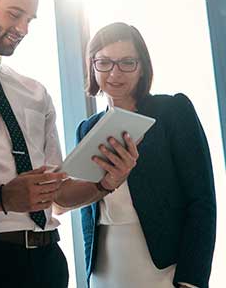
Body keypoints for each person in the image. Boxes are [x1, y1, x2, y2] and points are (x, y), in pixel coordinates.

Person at [0, 0, 139, 288]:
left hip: (48, 261)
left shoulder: (34, 92)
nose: (23, 28)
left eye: (29, 20)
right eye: (14, 13)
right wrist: (4, 197)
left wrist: (106, 184)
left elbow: (58, 194)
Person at [78, 22, 216, 288]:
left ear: (142, 68)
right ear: (92, 66)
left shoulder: (173, 110)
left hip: (165, 266)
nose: (115, 73)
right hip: (105, 267)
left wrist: (192, 280)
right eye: (104, 62)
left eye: (127, 62)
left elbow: (202, 200)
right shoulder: (86, 129)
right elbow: (88, 210)